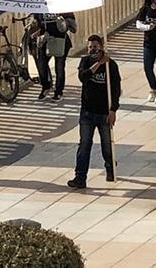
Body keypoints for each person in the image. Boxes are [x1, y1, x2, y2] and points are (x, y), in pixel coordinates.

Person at [67, 34, 121, 189]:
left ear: (101, 47)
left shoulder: (111, 65)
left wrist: (113, 110)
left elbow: (116, 89)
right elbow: (83, 77)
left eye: (95, 47)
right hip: (87, 112)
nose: (92, 50)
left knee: (106, 144)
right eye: (90, 47)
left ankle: (111, 168)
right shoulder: (85, 61)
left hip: (104, 112)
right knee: (84, 145)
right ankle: (80, 177)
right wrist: (97, 64)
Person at [32, 11, 76, 101]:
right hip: (45, 39)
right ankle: (46, 86)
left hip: (60, 40)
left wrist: (63, 22)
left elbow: (71, 23)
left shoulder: (61, 4)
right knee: (41, 64)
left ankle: (59, 91)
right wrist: (36, 30)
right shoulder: (40, 5)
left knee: (59, 67)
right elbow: (37, 21)